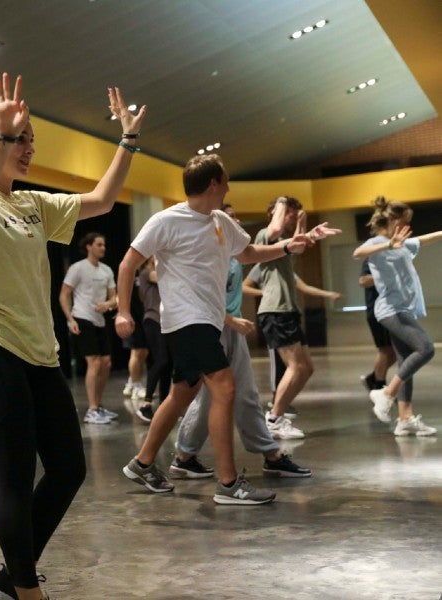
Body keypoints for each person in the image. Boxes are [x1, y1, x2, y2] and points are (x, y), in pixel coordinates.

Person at [0, 73, 145, 600]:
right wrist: (5, 137)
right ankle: (25, 589)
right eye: (20, 137)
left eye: (30, 138)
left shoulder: (32, 203)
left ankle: (12, 573)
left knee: (69, 469)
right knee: (14, 475)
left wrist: (126, 141)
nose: (30, 147)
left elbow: (101, 200)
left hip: (39, 353)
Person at [115, 154, 328, 505]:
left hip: (207, 320)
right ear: (213, 184)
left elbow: (247, 254)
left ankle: (142, 462)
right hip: (186, 319)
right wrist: (123, 311)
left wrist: (288, 246)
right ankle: (229, 485)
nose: (228, 186)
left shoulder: (220, 222)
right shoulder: (166, 221)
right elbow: (127, 263)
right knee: (225, 387)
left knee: (183, 392)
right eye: (225, 181)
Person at [172, 204, 311, 479]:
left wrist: (297, 238)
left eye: (236, 216)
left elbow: (267, 249)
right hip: (212, 327)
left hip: (230, 328)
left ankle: (267, 453)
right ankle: (181, 455)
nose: (235, 220)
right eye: (230, 216)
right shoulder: (211, 254)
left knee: (244, 393)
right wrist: (229, 320)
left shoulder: (235, 254)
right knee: (205, 397)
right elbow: (200, 296)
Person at [354, 196, 441, 436]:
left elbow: (423, 240)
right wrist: (387, 246)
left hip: (403, 308)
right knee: (425, 349)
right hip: (390, 309)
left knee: (406, 363)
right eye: (403, 222)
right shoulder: (378, 243)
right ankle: (386, 393)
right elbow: (358, 253)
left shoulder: (402, 243)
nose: (405, 227)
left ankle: (405, 419)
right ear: (392, 220)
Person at [255, 196, 341, 437]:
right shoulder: (265, 234)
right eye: (289, 213)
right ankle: (274, 418)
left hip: (288, 310)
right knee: (295, 367)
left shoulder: (284, 241)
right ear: (275, 211)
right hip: (275, 310)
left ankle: (277, 415)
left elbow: (300, 245)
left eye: (294, 212)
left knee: (307, 368)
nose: (292, 216)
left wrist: (308, 229)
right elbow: (275, 228)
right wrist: (283, 206)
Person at [243, 260, 342, 431]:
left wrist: (328, 294)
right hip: (275, 315)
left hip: (291, 315)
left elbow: (304, 287)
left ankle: (279, 410)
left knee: (307, 368)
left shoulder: (286, 267)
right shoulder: (262, 266)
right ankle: (275, 414)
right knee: (292, 367)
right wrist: (265, 292)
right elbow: (244, 286)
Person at [59, 232, 119, 424]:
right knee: (94, 362)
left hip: (100, 320)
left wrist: (108, 305)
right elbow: (63, 295)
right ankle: (92, 409)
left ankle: (98, 406)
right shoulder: (78, 268)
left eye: (104, 245)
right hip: (82, 317)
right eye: (99, 244)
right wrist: (70, 319)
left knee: (106, 363)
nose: (103, 248)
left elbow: (114, 298)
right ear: (89, 246)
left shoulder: (107, 270)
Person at [135, 256, 171, 423]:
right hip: (153, 320)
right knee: (162, 360)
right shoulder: (146, 272)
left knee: (168, 363)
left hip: (166, 321)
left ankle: (165, 407)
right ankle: (146, 404)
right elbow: (163, 277)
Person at [358, 260, 396, 392]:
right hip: (378, 311)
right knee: (385, 349)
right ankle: (380, 386)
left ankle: (372, 378)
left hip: (392, 310)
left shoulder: (394, 257)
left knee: (395, 352)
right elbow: (363, 281)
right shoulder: (372, 258)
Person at [120, 273, 149, 414]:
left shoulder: (147, 273)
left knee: (144, 351)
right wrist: (123, 313)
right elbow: (120, 293)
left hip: (145, 316)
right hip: (133, 318)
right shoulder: (132, 274)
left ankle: (132, 381)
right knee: (137, 351)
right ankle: (136, 386)